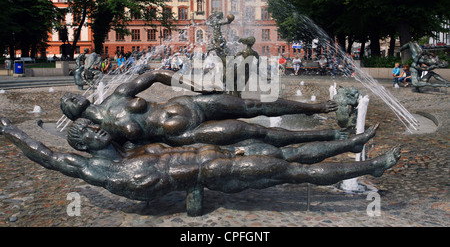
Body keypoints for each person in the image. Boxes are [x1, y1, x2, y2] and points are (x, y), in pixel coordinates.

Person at [0, 116, 401, 209]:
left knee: (291, 153)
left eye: (92, 127)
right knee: (297, 173)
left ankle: (354, 141)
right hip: (217, 173)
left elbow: (118, 114)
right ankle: (371, 166)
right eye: (86, 134)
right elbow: (47, 156)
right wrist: (8, 129)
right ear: (83, 148)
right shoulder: (97, 170)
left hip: (222, 157)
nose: (96, 132)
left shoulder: (132, 147)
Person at [61, 70, 343, 149]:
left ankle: (313, 106)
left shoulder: (115, 96)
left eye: (69, 97)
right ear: (73, 118)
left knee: (252, 104)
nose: (70, 99)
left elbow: (156, 74)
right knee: (252, 131)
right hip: (184, 133)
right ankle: (327, 137)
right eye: (67, 105)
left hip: (188, 103)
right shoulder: (101, 135)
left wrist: (192, 85)